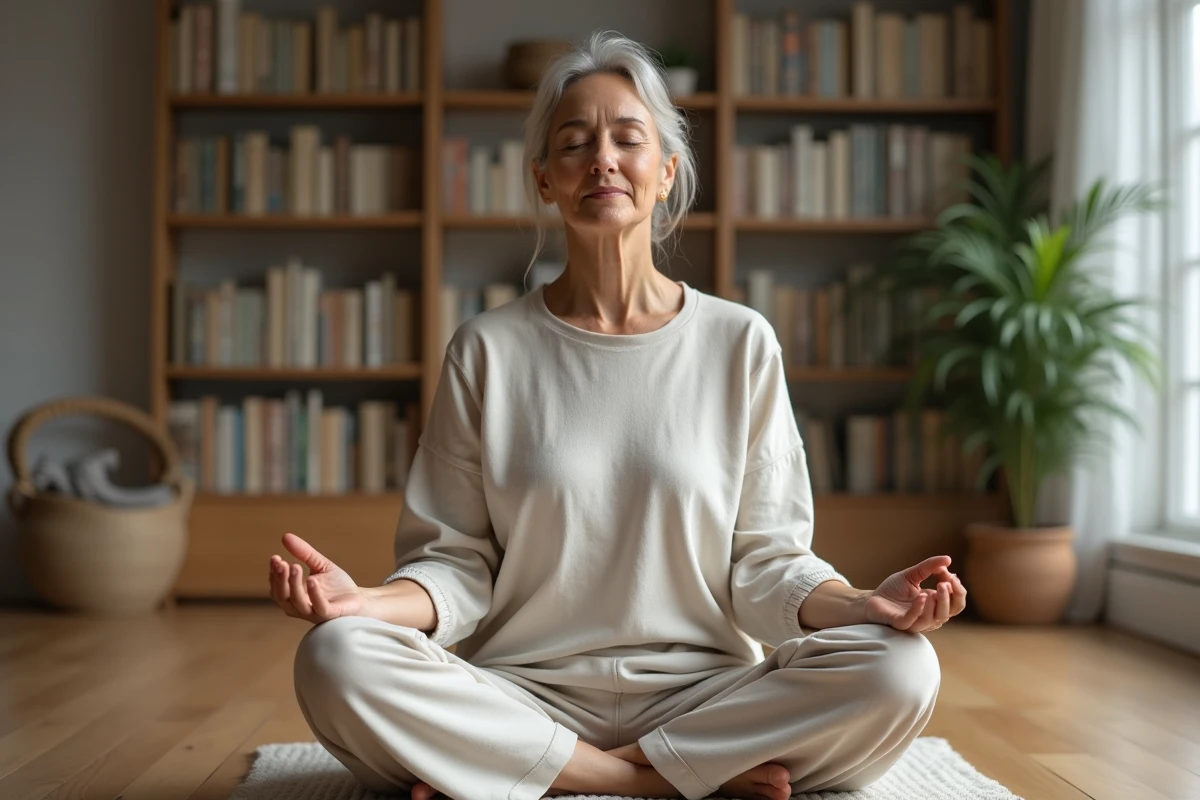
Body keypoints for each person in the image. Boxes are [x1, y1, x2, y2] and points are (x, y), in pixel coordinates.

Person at [269, 30, 967, 800]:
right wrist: (361, 604)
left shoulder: (739, 343)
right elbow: (457, 563)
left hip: (704, 694)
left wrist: (864, 605)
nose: (602, 158)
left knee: (902, 666)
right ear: (544, 179)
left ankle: (519, 769)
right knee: (335, 657)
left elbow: (766, 563)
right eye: (574, 143)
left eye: (628, 139)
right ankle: (660, 779)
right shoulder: (487, 350)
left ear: (666, 171)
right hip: (521, 692)